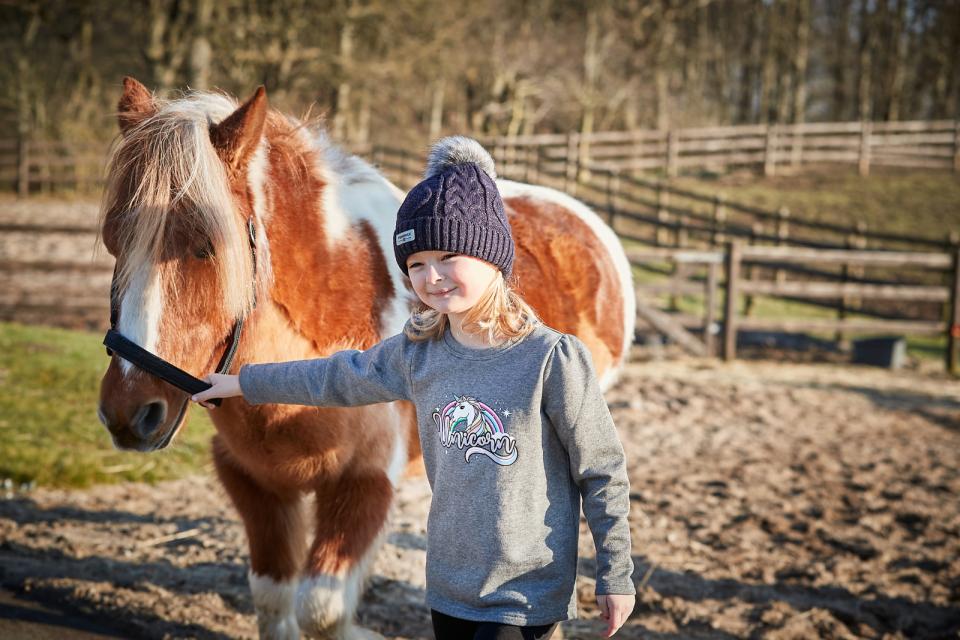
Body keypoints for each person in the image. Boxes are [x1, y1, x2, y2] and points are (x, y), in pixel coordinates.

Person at [191, 136, 637, 639]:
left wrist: (615, 571)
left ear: (492, 257)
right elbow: (335, 377)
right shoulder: (418, 352)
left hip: (525, 592)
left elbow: (601, 469)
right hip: (448, 589)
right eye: (417, 263)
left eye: (449, 257)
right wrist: (242, 382)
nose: (432, 277)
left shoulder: (552, 359)